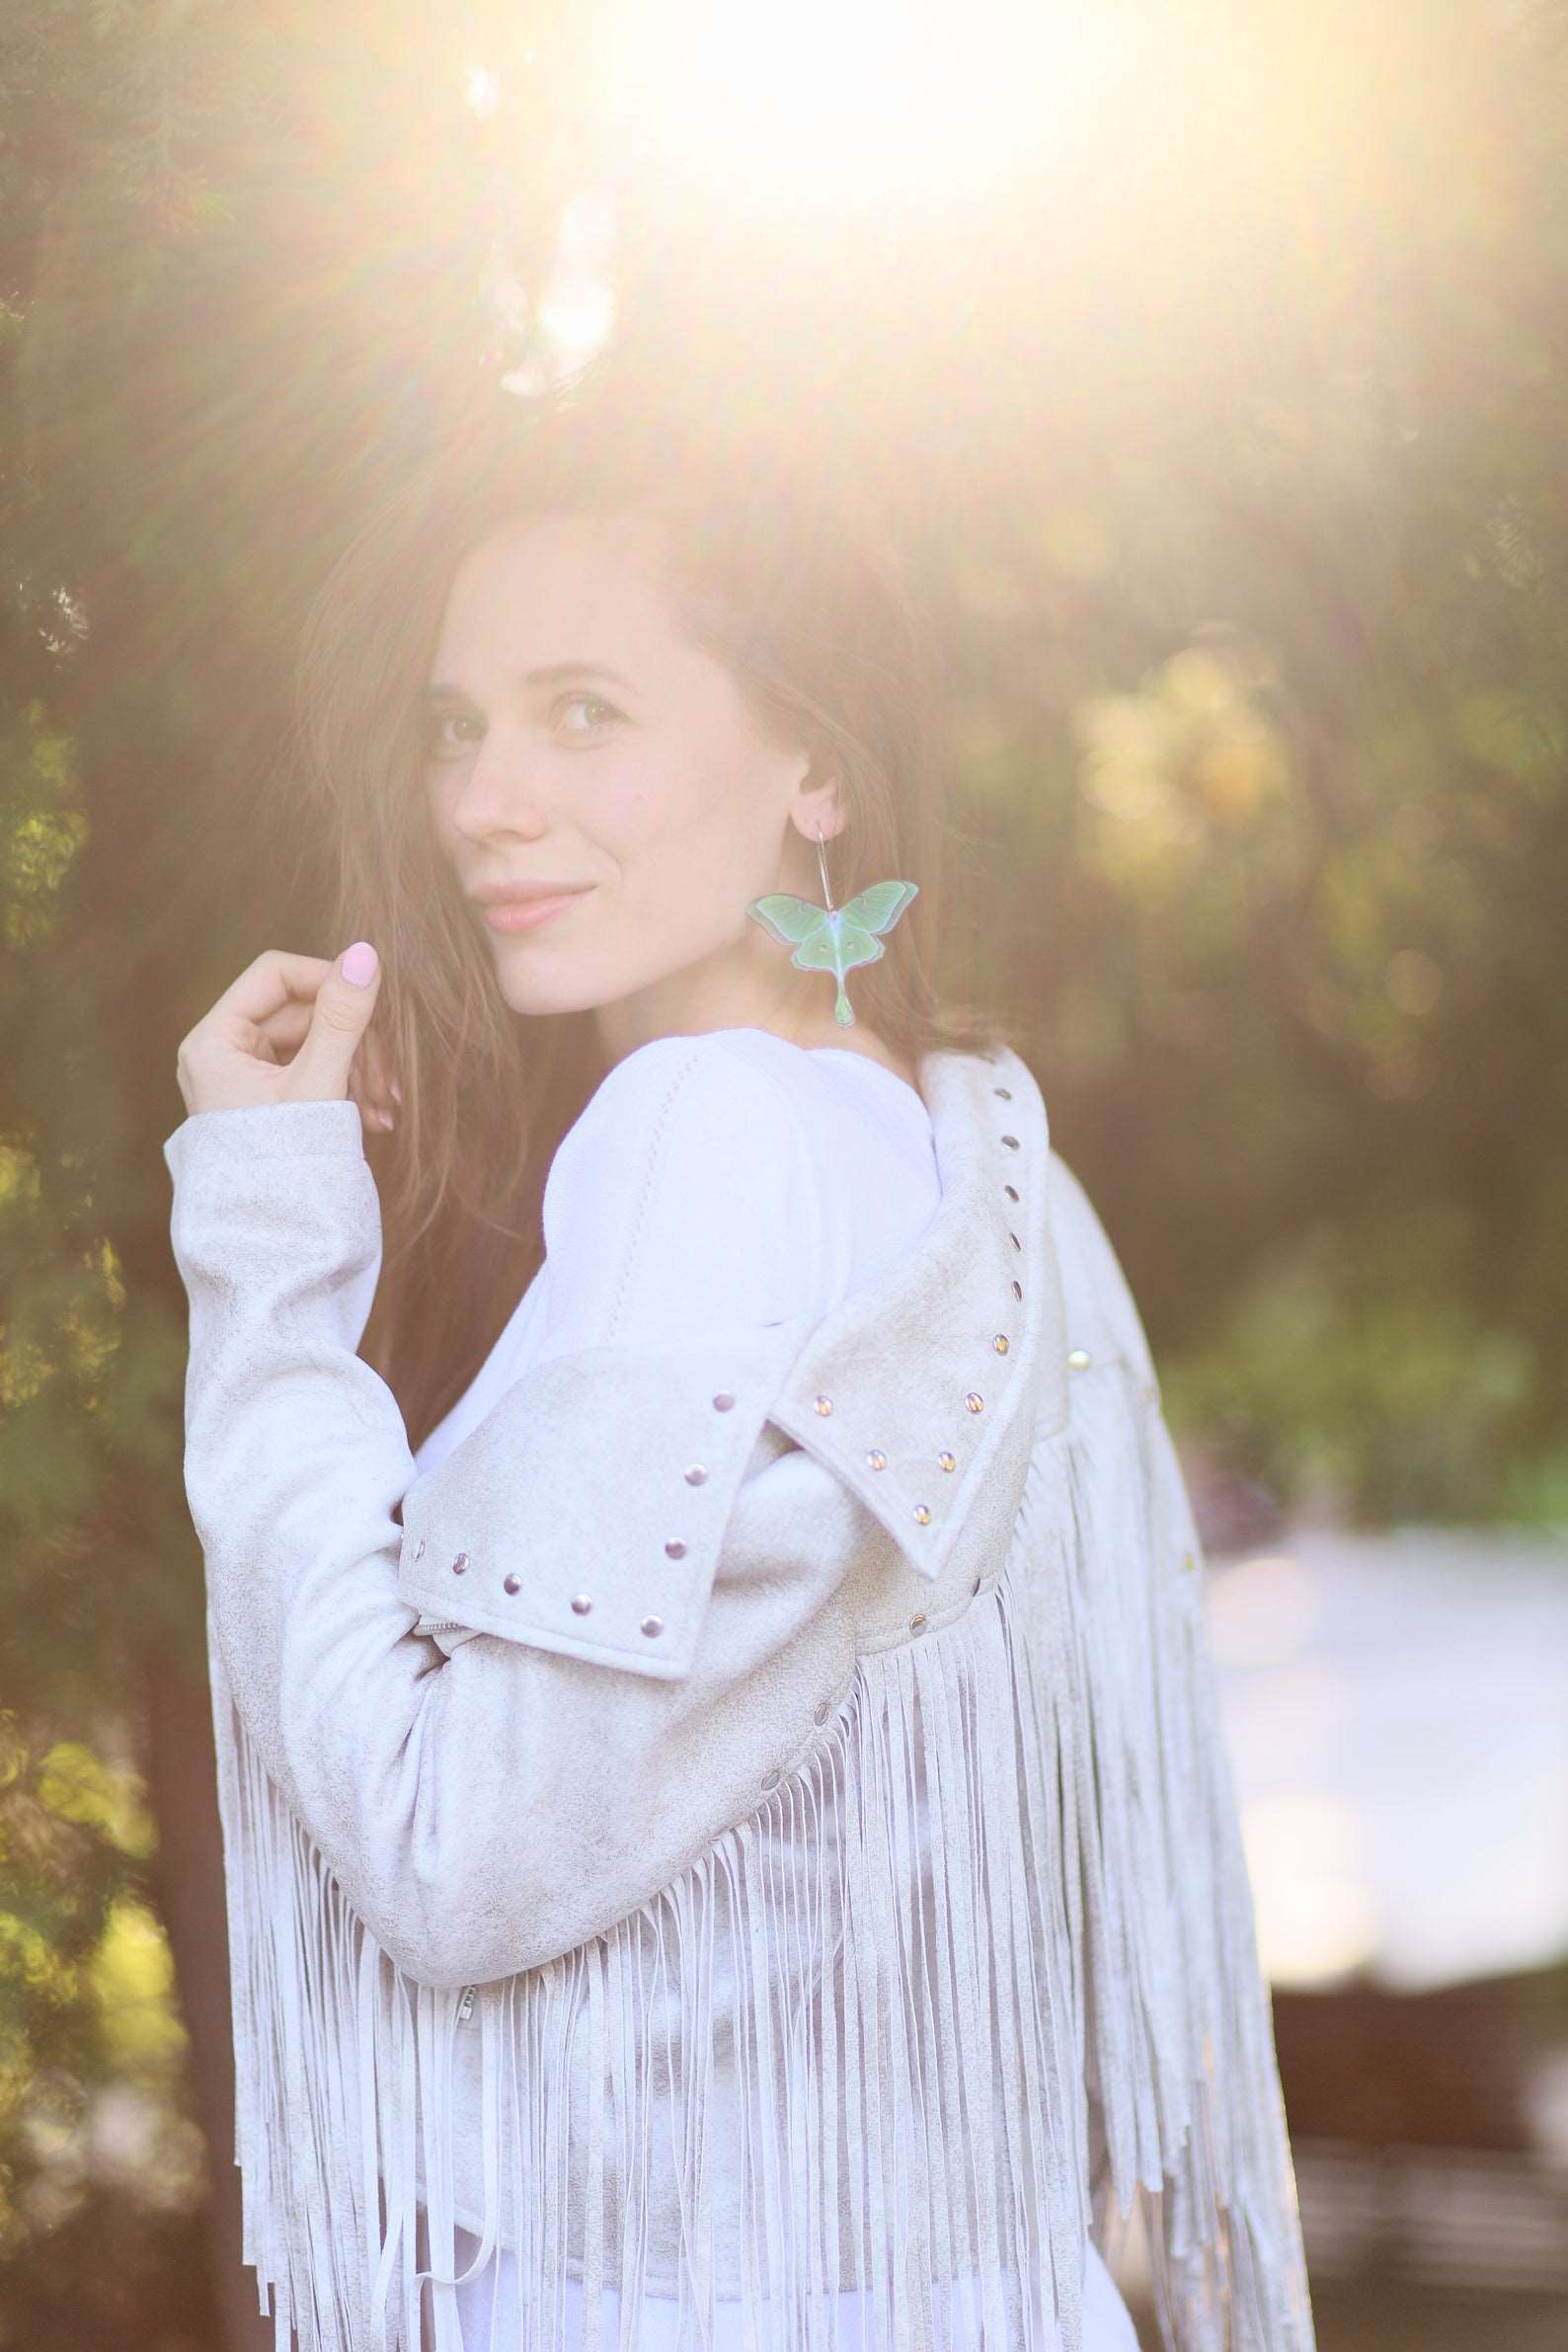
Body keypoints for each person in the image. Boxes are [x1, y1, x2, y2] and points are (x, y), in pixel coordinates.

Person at [160, 377, 1317, 2351]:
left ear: (815, 769)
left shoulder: (704, 1131)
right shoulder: (961, 1146)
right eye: (459, 727)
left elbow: (457, 1860)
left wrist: (267, 1266)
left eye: (581, 713)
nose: (479, 803)